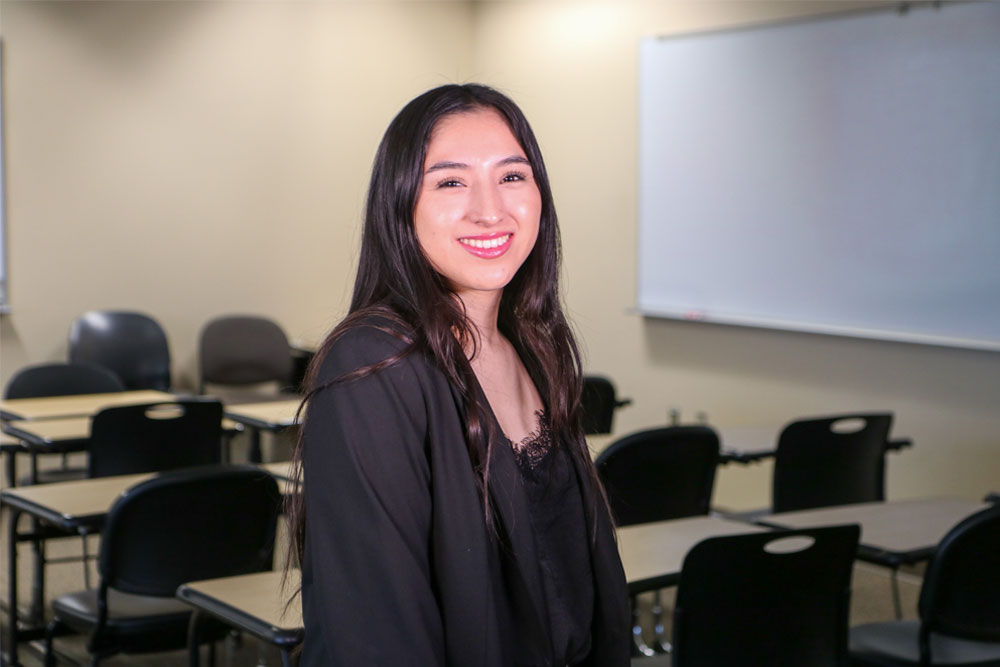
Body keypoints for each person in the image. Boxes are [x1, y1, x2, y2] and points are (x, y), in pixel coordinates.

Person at [288, 83, 630, 666]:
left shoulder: (533, 347)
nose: (489, 209)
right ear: (400, 205)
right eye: (450, 181)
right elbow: (375, 634)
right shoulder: (373, 366)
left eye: (512, 176)